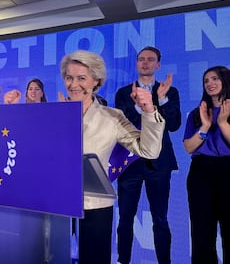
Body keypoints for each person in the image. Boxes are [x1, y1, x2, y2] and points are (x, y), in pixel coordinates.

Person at [57, 50, 165, 264]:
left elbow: (148, 151)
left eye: (81, 78)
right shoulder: (53, 113)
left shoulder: (113, 117)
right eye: (69, 77)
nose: (73, 84)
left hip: (95, 205)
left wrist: (149, 112)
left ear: (96, 81)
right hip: (56, 203)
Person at [115, 46, 181, 264]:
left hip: (159, 165)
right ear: (136, 63)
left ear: (158, 64)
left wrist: (159, 102)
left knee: (160, 220)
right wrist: (141, 107)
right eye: (141, 59)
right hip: (129, 163)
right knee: (125, 220)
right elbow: (124, 126)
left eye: (150, 60)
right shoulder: (123, 93)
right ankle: (123, 261)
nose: (145, 63)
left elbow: (173, 125)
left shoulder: (169, 92)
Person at [183, 65, 230, 264]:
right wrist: (205, 126)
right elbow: (188, 147)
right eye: (206, 80)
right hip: (201, 172)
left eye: (215, 79)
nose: (210, 83)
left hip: (228, 170)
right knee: (202, 232)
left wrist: (223, 123)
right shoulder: (198, 112)